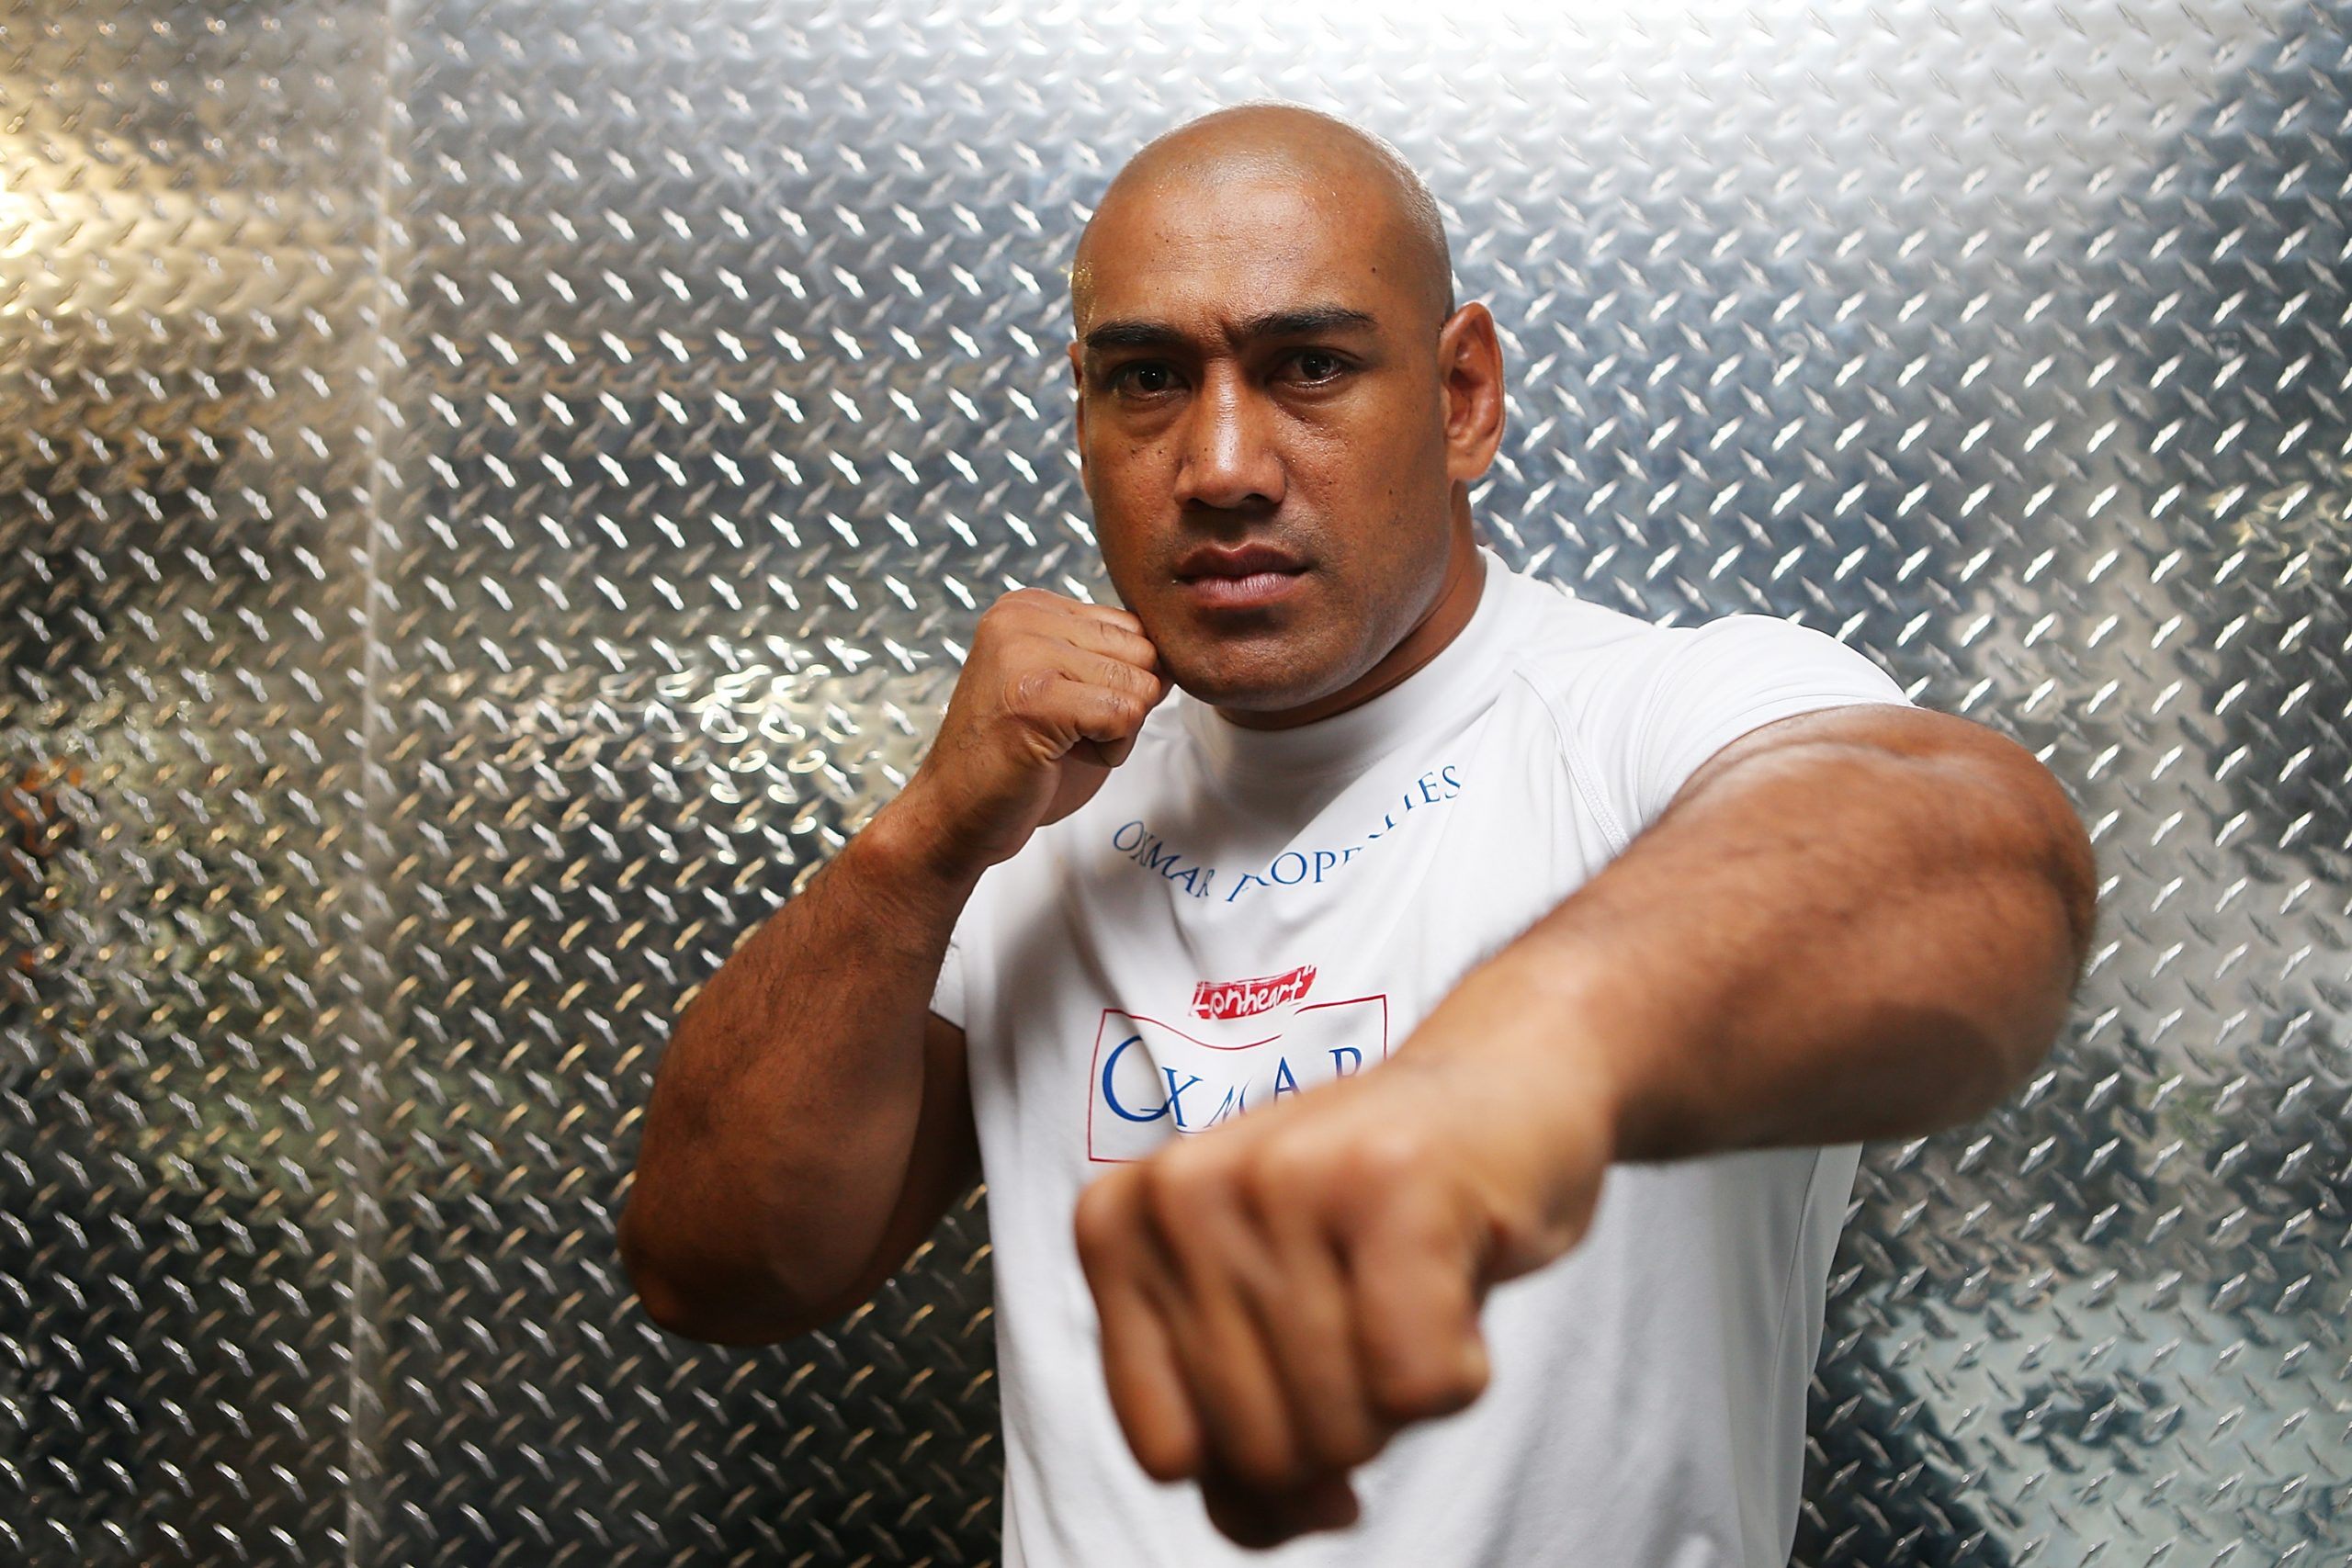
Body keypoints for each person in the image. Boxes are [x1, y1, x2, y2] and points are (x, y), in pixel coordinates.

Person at [618, 104, 2098, 1565]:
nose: (1219, 466)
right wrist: (923, 845)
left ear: (1463, 398)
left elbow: (1974, 856)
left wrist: (1499, 1087)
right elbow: (721, 1267)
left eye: (1307, 366)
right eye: (1147, 380)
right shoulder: (1029, 824)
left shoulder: (1657, 716)